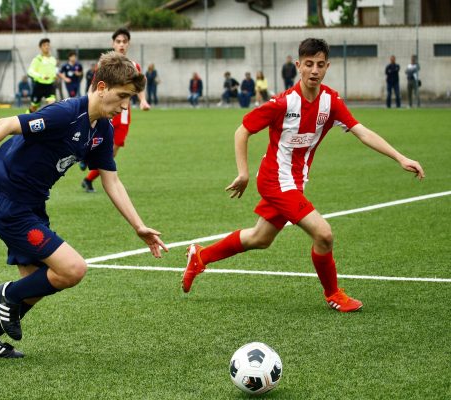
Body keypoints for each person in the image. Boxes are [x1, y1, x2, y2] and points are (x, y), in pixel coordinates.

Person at [0, 51, 168, 358]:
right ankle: (7, 293)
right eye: (122, 96)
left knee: (37, 285)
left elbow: (112, 181)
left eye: (130, 99)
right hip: (11, 206)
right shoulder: (66, 113)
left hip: (33, 207)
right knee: (73, 269)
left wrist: (139, 226)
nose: (124, 106)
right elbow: (4, 124)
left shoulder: (102, 130)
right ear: (102, 87)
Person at [181, 38, 424, 313]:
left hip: (295, 182)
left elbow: (361, 131)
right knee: (324, 234)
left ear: (327, 67)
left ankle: (200, 256)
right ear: (298, 66)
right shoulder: (283, 103)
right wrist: (243, 173)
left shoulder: (331, 102)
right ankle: (333, 294)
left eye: (320, 65)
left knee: (260, 238)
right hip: (275, 180)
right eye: (308, 64)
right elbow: (242, 131)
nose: (314, 70)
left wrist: (401, 157)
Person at [81, 27, 150, 193]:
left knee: (114, 148)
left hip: (124, 114)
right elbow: (95, 87)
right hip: (107, 112)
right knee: (102, 145)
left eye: (124, 42)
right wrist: (88, 104)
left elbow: (139, 87)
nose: (121, 45)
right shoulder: (106, 65)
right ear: (113, 43)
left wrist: (143, 101)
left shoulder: (134, 66)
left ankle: (88, 176)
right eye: (118, 41)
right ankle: (85, 156)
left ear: (128, 44)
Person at [27, 38, 58, 113]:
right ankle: (25, 120)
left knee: (52, 105)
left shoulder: (53, 59)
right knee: (33, 107)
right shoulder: (37, 59)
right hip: (39, 86)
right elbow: (30, 71)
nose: (47, 47)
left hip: (50, 86)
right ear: (40, 47)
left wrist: (54, 75)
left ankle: (50, 123)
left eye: (48, 45)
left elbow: (54, 70)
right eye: (44, 45)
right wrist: (41, 76)